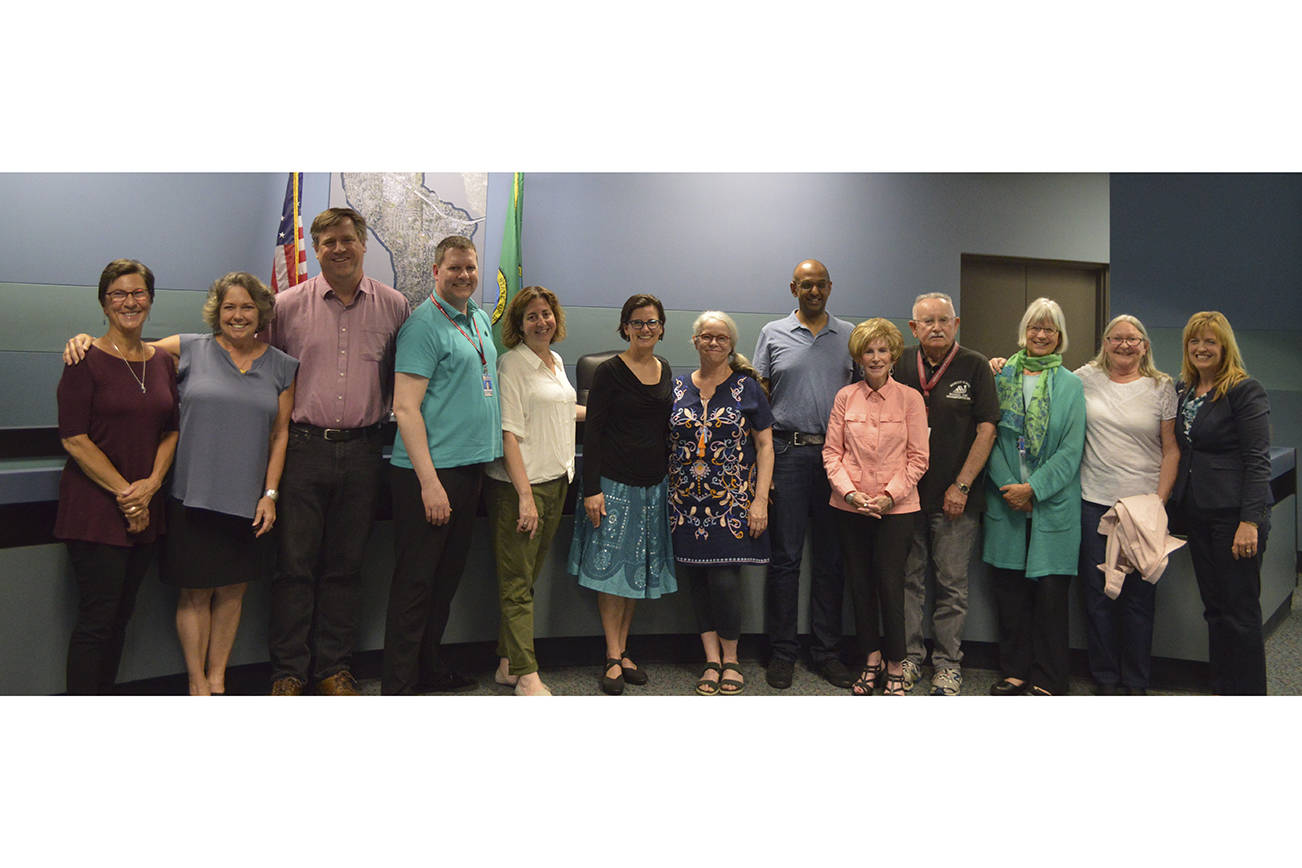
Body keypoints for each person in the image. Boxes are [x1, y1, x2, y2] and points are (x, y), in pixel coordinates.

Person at [64, 274, 299, 695]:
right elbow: (127, 351)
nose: (238, 315)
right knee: (194, 596)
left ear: (261, 312)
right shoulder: (188, 349)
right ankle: (197, 684)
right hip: (191, 495)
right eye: (229, 307)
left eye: (247, 307)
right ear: (217, 311)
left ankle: (218, 681)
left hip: (247, 499)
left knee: (232, 594)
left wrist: (270, 494)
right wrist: (83, 340)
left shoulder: (282, 365)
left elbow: (280, 434)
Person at [264, 207, 410, 696]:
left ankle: (333, 669)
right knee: (294, 567)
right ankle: (288, 672)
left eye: (347, 239)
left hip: (366, 451)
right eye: (328, 242)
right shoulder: (285, 306)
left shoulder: (394, 307)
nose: (339, 249)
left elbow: (405, 379)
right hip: (302, 449)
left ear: (363, 243)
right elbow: (261, 372)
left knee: (346, 568)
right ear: (316, 248)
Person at [383, 235, 502, 695]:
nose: (464, 275)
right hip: (429, 475)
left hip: (468, 470)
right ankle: (399, 686)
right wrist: (430, 484)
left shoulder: (478, 318)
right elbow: (405, 408)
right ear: (436, 272)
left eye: (470, 267)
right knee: (415, 584)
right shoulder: (423, 326)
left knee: (444, 581)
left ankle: (429, 669)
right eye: (454, 268)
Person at [54, 259, 179, 694]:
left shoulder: (161, 362)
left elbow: (172, 430)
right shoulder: (83, 359)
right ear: (104, 304)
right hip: (96, 511)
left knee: (121, 618)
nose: (130, 302)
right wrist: (130, 496)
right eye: (119, 294)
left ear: (151, 299)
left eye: (138, 292)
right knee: (97, 621)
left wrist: (152, 486)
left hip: (146, 506)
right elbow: (74, 439)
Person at [753, 259, 857, 690]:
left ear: (830, 287)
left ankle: (826, 652)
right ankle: (782, 652)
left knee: (831, 560)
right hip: (788, 454)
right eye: (806, 285)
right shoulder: (772, 333)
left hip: (837, 459)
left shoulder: (849, 335)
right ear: (793, 288)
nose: (814, 291)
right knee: (786, 559)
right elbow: (759, 395)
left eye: (820, 285)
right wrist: (761, 467)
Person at [568, 293, 676, 695]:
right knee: (612, 573)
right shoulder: (609, 372)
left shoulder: (665, 369)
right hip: (613, 486)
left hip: (653, 486)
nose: (645, 329)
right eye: (637, 322)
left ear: (661, 328)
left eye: (652, 322)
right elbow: (593, 433)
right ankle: (612, 655)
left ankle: (624, 648)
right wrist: (592, 489)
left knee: (636, 571)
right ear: (624, 327)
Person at [893, 293, 998, 695]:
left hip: (956, 498)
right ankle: (909, 658)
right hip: (906, 496)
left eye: (943, 320)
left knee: (952, 585)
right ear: (913, 327)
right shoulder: (899, 363)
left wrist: (963, 485)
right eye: (927, 321)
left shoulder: (975, 365)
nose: (936, 327)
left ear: (956, 323)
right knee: (908, 581)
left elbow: (987, 429)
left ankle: (948, 664)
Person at [484, 286, 585, 697]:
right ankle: (527, 676)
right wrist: (525, 497)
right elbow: (507, 433)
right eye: (532, 316)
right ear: (519, 325)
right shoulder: (511, 365)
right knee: (516, 583)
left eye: (546, 313)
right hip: (519, 490)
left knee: (525, 580)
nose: (542, 321)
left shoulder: (555, 361)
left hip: (556, 482)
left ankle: (507, 664)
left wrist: (614, 409)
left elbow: (561, 407)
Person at [668, 311, 774, 696]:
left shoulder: (748, 388)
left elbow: (765, 446)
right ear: (695, 341)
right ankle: (711, 660)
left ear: (731, 345)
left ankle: (732, 660)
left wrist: (760, 500)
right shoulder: (676, 387)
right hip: (684, 504)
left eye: (721, 338)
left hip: (732, 504)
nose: (713, 343)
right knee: (697, 582)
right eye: (707, 336)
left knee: (725, 582)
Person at [983, 297, 1085, 696]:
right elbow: (988, 438)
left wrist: (1034, 489)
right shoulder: (1001, 376)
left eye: (1049, 329)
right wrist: (1010, 487)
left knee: (1050, 598)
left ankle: (1049, 677)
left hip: (1051, 505)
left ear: (1059, 336)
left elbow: (1071, 450)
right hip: (1006, 502)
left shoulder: (1072, 385)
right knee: (1009, 596)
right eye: (1034, 327)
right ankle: (1015, 671)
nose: (1041, 335)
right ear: (1024, 331)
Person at [823, 319, 928, 695]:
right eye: (869, 351)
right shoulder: (845, 397)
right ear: (858, 356)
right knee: (860, 585)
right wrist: (851, 494)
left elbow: (918, 458)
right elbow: (832, 454)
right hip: (850, 506)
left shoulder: (911, 399)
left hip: (896, 509)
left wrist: (889, 496)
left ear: (894, 355)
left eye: (883, 350)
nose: (876, 357)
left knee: (891, 585)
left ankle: (896, 663)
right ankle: (871, 660)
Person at [1074, 315, 1178, 696]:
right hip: (1095, 504)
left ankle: (1136, 682)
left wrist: (1158, 502)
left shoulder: (1162, 386)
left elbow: (1171, 450)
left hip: (1143, 507)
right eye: (1116, 338)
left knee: (1138, 599)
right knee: (1098, 596)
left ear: (1145, 346)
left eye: (1133, 339)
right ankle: (1104, 678)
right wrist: (1001, 364)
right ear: (1105, 343)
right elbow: (1043, 375)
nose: (1124, 345)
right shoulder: (1084, 379)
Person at [1170, 311, 1271, 695]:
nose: (1201, 348)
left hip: (1234, 518)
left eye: (1209, 341)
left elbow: (1257, 459)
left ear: (1224, 346)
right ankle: (1222, 690)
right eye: (1194, 342)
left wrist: (1250, 521)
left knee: (1240, 612)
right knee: (1214, 609)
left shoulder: (1244, 390)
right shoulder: (1185, 390)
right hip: (1197, 513)